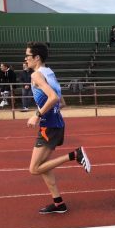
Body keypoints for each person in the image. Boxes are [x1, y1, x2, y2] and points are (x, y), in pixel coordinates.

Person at [25, 41, 91, 214]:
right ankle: (58, 203)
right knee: (43, 166)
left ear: (37, 58)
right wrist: (44, 110)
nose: (25, 60)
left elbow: (53, 97)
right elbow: (62, 102)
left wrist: (37, 115)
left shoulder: (36, 75)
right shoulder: (50, 73)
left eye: (27, 56)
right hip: (56, 124)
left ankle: (74, 155)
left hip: (49, 126)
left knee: (34, 169)